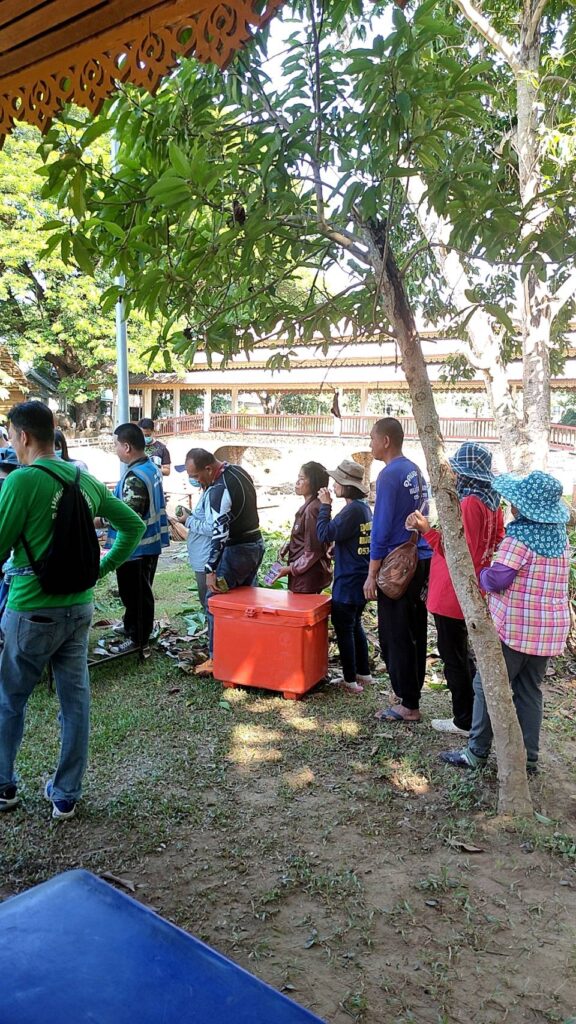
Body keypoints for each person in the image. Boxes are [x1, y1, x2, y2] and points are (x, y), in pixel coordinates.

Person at [0, 401, 145, 818]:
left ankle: (4, 786)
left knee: (10, 698)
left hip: (31, 609)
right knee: (75, 702)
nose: (11, 444)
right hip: (79, 608)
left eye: (10, 437)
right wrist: (101, 568)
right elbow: (133, 525)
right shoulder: (84, 480)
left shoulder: (21, 481)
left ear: (23, 436)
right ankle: (66, 794)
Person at [440, 470, 570, 774]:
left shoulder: (519, 540)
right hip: (546, 633)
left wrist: (483, 573)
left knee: (487, 684)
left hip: (515, 630)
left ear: (523, 507)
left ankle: (476, 752)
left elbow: (497, 580)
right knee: (529, 690)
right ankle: (529, 757)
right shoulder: (560, 539)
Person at [405, 443, 504, 736]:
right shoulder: (492, 501)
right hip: (472, 587)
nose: (455, 477)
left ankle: (464, 719)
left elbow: (459, 553)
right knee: (462, 653)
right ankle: (473, 714)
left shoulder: (470, 503)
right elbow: (494, 541)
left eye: (458, 472)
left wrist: (426, 530)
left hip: (452, 590)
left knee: (454, 657)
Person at [363, 417, 431, 723]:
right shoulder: (414, 469)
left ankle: (408, 703)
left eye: (372, 439)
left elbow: (381, 527)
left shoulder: (388, 474)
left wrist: (371, 573)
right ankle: (410, 694)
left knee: (395, 634)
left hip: (397, 565)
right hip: (420, 556)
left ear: (386, 441)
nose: (370, 445)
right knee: (415, 630)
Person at [184, 449, 264, 676]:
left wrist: (210, 568)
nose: (197, 481)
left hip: (237, 550)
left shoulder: (219, 489)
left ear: (209, 469)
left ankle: (216, 658)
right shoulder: (238, 471)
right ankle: (247, 650)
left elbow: (219, 533)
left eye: (197, 476)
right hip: (255, 544)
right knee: (245, 602)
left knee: (215, 603)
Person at [103, 423, 170, 655]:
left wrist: (101, 520)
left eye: (116, 445)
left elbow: (129, 516)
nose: (115, 450)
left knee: (136, 595)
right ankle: (131, 626)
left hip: (136, 548)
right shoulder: (150, 467)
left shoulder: (135, 477)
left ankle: (138, 638)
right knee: (138, 592)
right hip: (150, 544)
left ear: (127, 447)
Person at [317, 459, 373, 694]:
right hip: (360, 576)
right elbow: (351, 539)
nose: (333, 485)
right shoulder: (363, 508)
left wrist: (325, 506)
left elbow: (324, 533)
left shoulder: (351, 511)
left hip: (348, 579)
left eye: (337, 482)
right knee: (355, 624)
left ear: (346, 486)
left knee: (344, 627)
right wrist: (338, 548)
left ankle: (350, 680)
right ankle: (363, 673)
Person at [272, 462, 332, 594]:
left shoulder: (312, 509)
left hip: (307, 579)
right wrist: (289, 545)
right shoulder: (309, 506)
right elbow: (307, 537)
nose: (297, 482)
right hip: (304, 576)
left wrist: (289, 569)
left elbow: (313, 551)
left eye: (302, 478)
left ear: (314, 483)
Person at [174, 463, 213, 616]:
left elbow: (212, 528)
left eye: (193, 475)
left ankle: (212, 630)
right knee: (205, 600)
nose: (190, 478)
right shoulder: (205, 492)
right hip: (200, 556)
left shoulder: (212, 495)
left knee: (209, 602)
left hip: (206, 557)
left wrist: (188, 520)